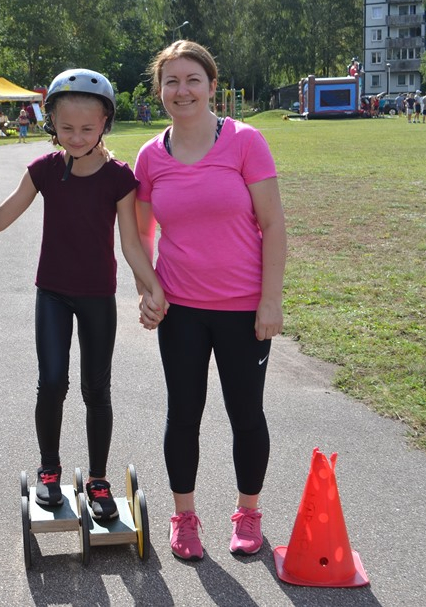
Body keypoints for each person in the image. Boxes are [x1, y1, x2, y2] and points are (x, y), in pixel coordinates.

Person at [0, 69, 166, 522]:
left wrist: (153, 286)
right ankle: (49, 470)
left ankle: (98, 480)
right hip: (52, 293)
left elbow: (131, 244)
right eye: (66, 128)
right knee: (52, 382)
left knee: (96, 388)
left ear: (105, 124)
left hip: (97, 297)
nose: (75, 136)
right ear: (51, 123)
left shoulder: (118, 178)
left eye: (87, 129)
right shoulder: (45, 171)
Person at [134, 40, 287, 561]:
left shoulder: (246, 142)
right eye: (171, 81)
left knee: (246, 414)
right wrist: (149, 290)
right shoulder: (151, 156)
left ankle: (248, 512)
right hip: (181, 310)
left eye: (192, 79)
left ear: (212, 86)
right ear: (160, 91)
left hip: (244, 310)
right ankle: (184, 517)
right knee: (183, 414)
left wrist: (271, 300)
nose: (182, 90)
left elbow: (273, 225)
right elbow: (141, 236)